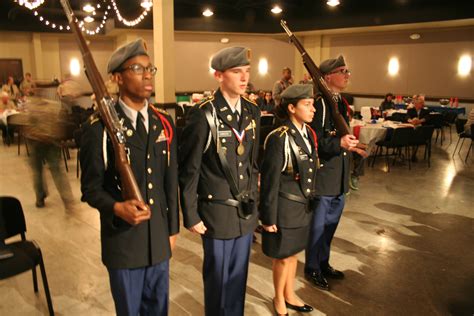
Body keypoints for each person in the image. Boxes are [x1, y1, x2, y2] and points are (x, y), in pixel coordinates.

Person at [80, 38, 179, 316]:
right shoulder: (99, 129)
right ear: (117, 78)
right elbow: (90, 188)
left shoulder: (164, 123)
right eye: (137, 68)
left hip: (158, 241)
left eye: (150, 69)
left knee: (159, 311)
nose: (147, 75)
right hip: (123, 244)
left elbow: (170, 183)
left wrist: (172, 229)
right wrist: (116, 207)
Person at [179, 46, 260, 316]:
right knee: (217, 280)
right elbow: (190, 168)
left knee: (238, 279)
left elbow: (252, 163)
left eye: (246, 72)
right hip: (216, 211)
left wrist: (255, 203)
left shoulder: (252, 112)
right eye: (237, 72)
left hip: (244, 211)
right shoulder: (203, 114)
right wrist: (190, 214)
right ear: (218, 75)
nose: (244, 78)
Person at [260, 84, 317, 315]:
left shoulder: (307, 133)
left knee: (294, 254)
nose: (313, 109)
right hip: (284, 207)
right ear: (292, 108)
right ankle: (278, 298)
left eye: (312, 104)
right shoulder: (279, 137)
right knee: (283, 258)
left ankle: (289, 293)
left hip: (301, 206)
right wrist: (268, 217)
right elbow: (270, 181)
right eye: (307, 104)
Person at [306, 55, 360, 291]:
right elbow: (314, 140)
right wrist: (339, 143)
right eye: (342, 71)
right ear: (328, 76)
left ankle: (324, 262)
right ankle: (312, 268)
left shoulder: (339, 101)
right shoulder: (320, 104)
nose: (347, 75)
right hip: (325, 176)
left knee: (330, 226)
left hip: (338, 177)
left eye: (348, 71)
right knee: (318, 227)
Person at [14, 98, 76, 209]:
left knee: (38, 171)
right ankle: (67, 199)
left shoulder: (30, 107)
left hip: (36, 141)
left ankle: (40, 198)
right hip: (50, 141)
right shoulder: (53, 106)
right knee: (56, 171)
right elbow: (60, 125)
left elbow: (24, 126)